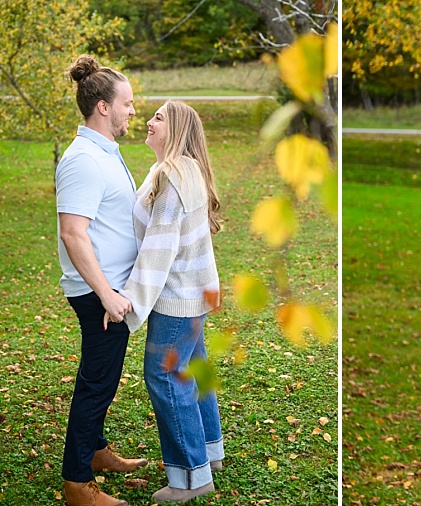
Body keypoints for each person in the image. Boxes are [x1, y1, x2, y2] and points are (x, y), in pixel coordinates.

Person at [118, 100, 224, 504]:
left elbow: (158, 251)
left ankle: (192, 478)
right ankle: (209, 454)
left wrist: (129, 303)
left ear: (176, 129)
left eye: (158, 117)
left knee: (164, 376)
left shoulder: (172, 177)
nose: (148, 120)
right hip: (197, 291)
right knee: (191, 373)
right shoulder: (185, 168)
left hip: (178, 296)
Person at [56, 54, 147, 506]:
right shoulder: (83, 161)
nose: (134, 111)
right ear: (104, 107)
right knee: (97, 383)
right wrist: (107, 293)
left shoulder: (104, 154)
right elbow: (73, 232)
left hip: (111, 291)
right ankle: (77, 484)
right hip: (98, 294)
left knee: (102, 379)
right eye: (128, 103)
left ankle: (93, 451)